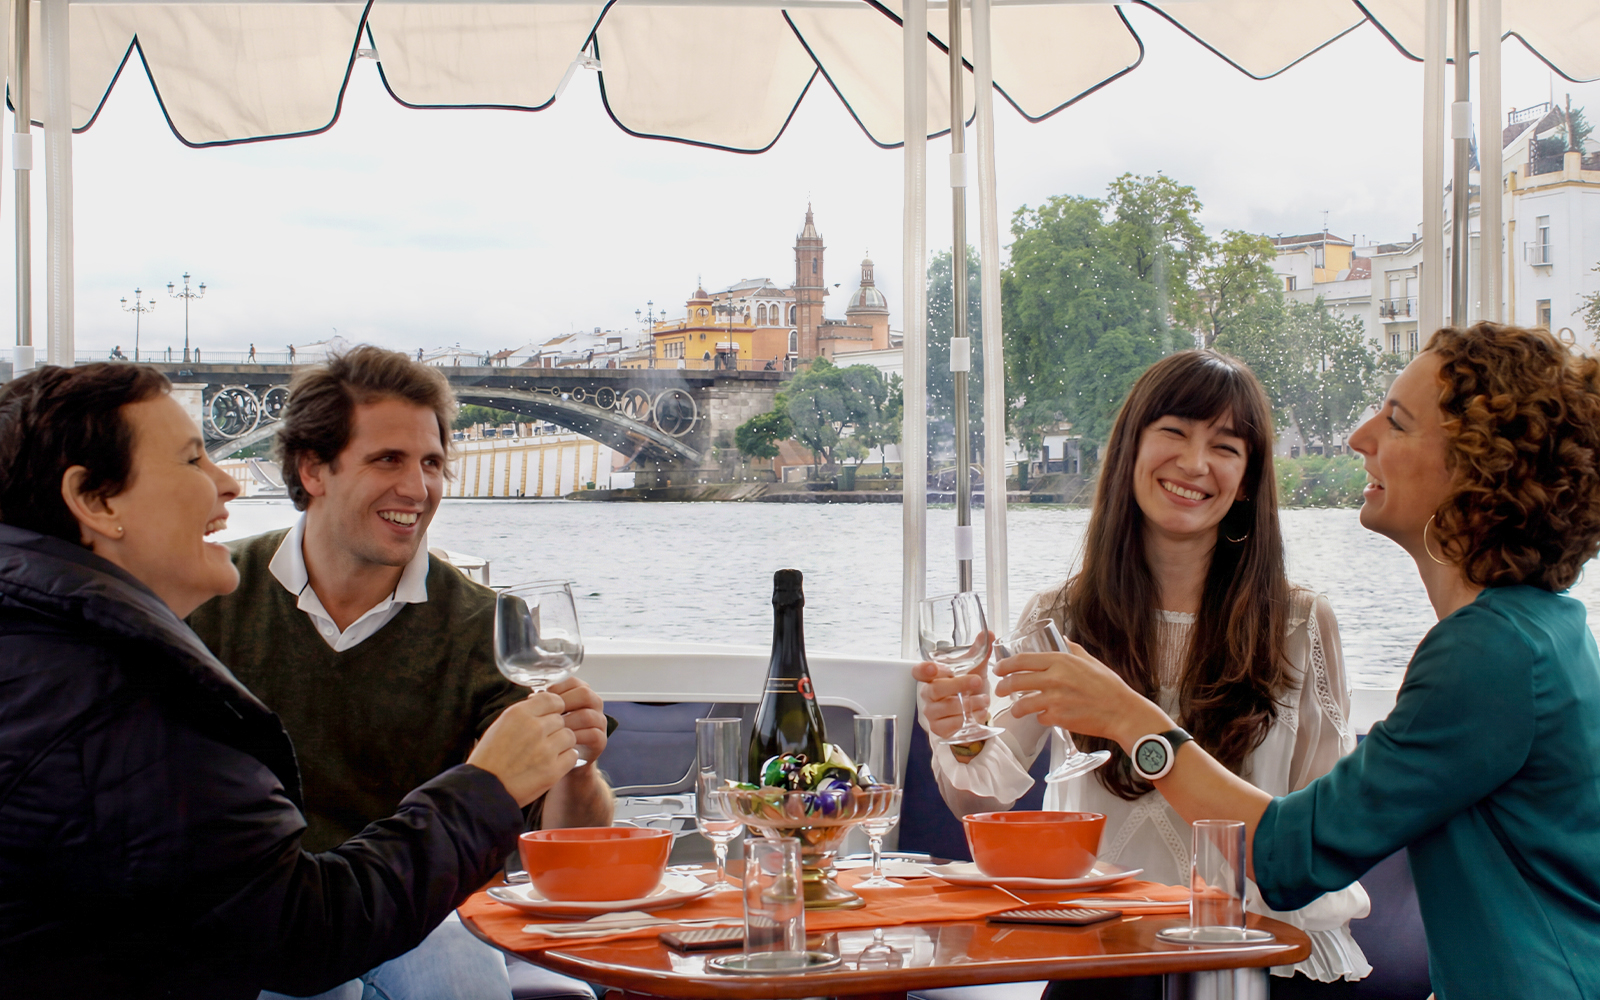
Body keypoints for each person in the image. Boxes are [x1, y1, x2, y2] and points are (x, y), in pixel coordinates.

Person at [1004, 324, 1600, 998]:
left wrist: (1131, 721)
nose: (1359, 438)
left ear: (1474, 468)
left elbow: (1291, 854)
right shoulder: (1539, 632)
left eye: (1395, 421)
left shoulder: (1490, 653)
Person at [0, 364, 577, 998]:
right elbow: (297, 932)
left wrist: (564, 760)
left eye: (433, 463)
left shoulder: (60, 649)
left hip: (342, 912)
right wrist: (487, 786)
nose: (228, 482)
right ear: (96, 500)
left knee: (444, 953)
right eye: (195, 460)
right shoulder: (135, 688)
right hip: (309, 923)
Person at [916, 350, 1369, 994]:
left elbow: (1318, 834)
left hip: (1249, 955)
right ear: (1131, 448)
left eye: (1226, 446)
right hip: (1101, 952)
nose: (1194, 463)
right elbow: (984, 795)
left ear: (1247, 481)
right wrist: (954, 725)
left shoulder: (1299, 623)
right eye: (1175, 432)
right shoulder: (1059, 614)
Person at [187, 346, 614, 1000]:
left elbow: (567, 847)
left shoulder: (488, 627)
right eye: (387, 459)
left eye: (433, 463)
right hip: (266, 922)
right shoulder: (209, 599)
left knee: (441, 943)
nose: (417, 489)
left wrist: (578, 763)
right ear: (313, 469)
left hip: (424, 916)